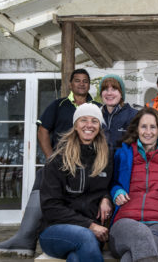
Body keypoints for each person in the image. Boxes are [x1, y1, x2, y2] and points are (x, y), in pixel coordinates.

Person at [0, 68, 100, 257]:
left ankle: (35, 237)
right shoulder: (58, 105)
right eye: (77, 80)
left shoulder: (96, 107)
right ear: (70, 84)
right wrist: (51, 158)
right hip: (63, 164)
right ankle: (25, 237)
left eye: (85, 81)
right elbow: (43, 131)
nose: (81, 84)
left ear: (89, 84)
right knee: (45, 175)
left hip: (88, 163)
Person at [109, 107, 158, 262]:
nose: (148, 132)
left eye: (153, 127)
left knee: (130, 257)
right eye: (143, 126)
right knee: (142, 238)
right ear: (137, 129)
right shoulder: (122, 153)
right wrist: (116, 191)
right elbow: (110, 182)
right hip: (125, 221)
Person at [38, 103, 112, 261]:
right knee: (85, 237)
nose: (89, 125)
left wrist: (106, 197)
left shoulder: (106, 157)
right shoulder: (58, 160)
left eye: (94, 121)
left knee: (76, 258)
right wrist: (89, 225)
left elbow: (110, 184)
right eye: (83, 120)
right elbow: (50, 207)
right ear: (75, 125)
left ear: (99, 126)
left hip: (92, 233)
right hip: (55, 231)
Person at [100, 74, 138, 151]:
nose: (109, 93)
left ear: (121, 93)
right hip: (100, 162)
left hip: (123, 162)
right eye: (105, 89)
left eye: (114, 89)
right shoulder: (96, 116)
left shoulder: (134, 115)